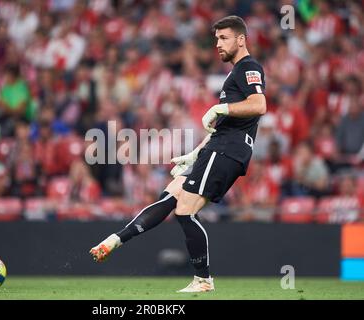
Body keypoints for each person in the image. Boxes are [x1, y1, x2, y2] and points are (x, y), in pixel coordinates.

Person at [89, 16, 266, 293]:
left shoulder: (249, 67)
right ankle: (115, 239)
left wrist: (222, 109)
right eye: (216, 38)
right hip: (217, 146)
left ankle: (204, 280)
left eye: (224, 38)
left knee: (185, 211)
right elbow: (224, 124)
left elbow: (259, 104)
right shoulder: (234, 73)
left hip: (229, 150)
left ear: (241, 39)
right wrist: (196, 153)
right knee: (170, 195)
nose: (217, 44)